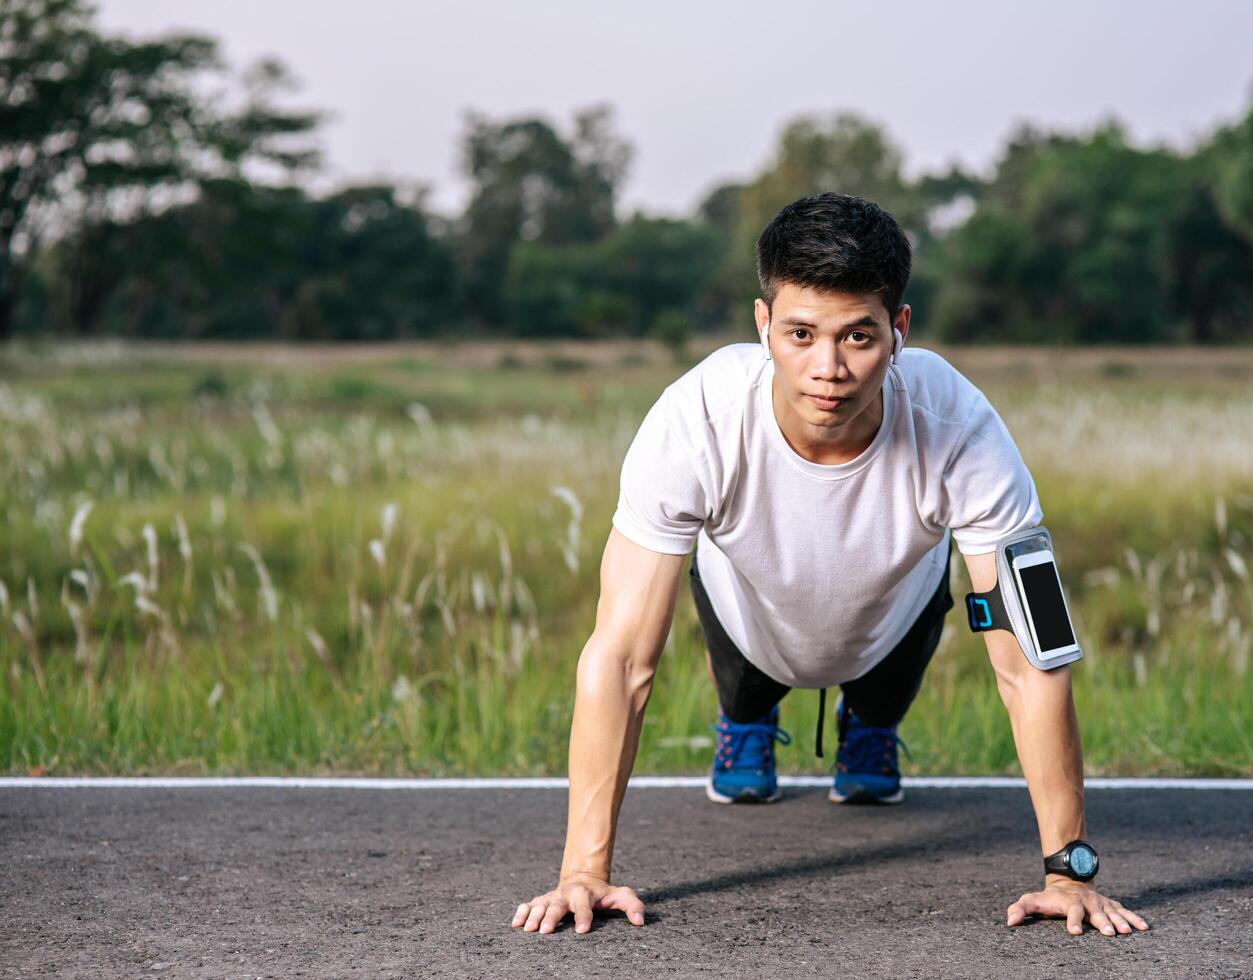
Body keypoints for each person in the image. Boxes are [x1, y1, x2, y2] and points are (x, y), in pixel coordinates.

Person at [510, 192, 1149, 939]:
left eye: (857, 337)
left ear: (898, 331)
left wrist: (1066, 871)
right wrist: (582, 873)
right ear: (762, 327)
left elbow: (1031, 655)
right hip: (749, 616)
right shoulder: (696, 420)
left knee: (879, 718)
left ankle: (868, 727)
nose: (828, 369)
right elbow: (618, 658)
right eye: (800, 334)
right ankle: (744, 722)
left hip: (891, 613)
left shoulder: (962, 427)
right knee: (745, 687)